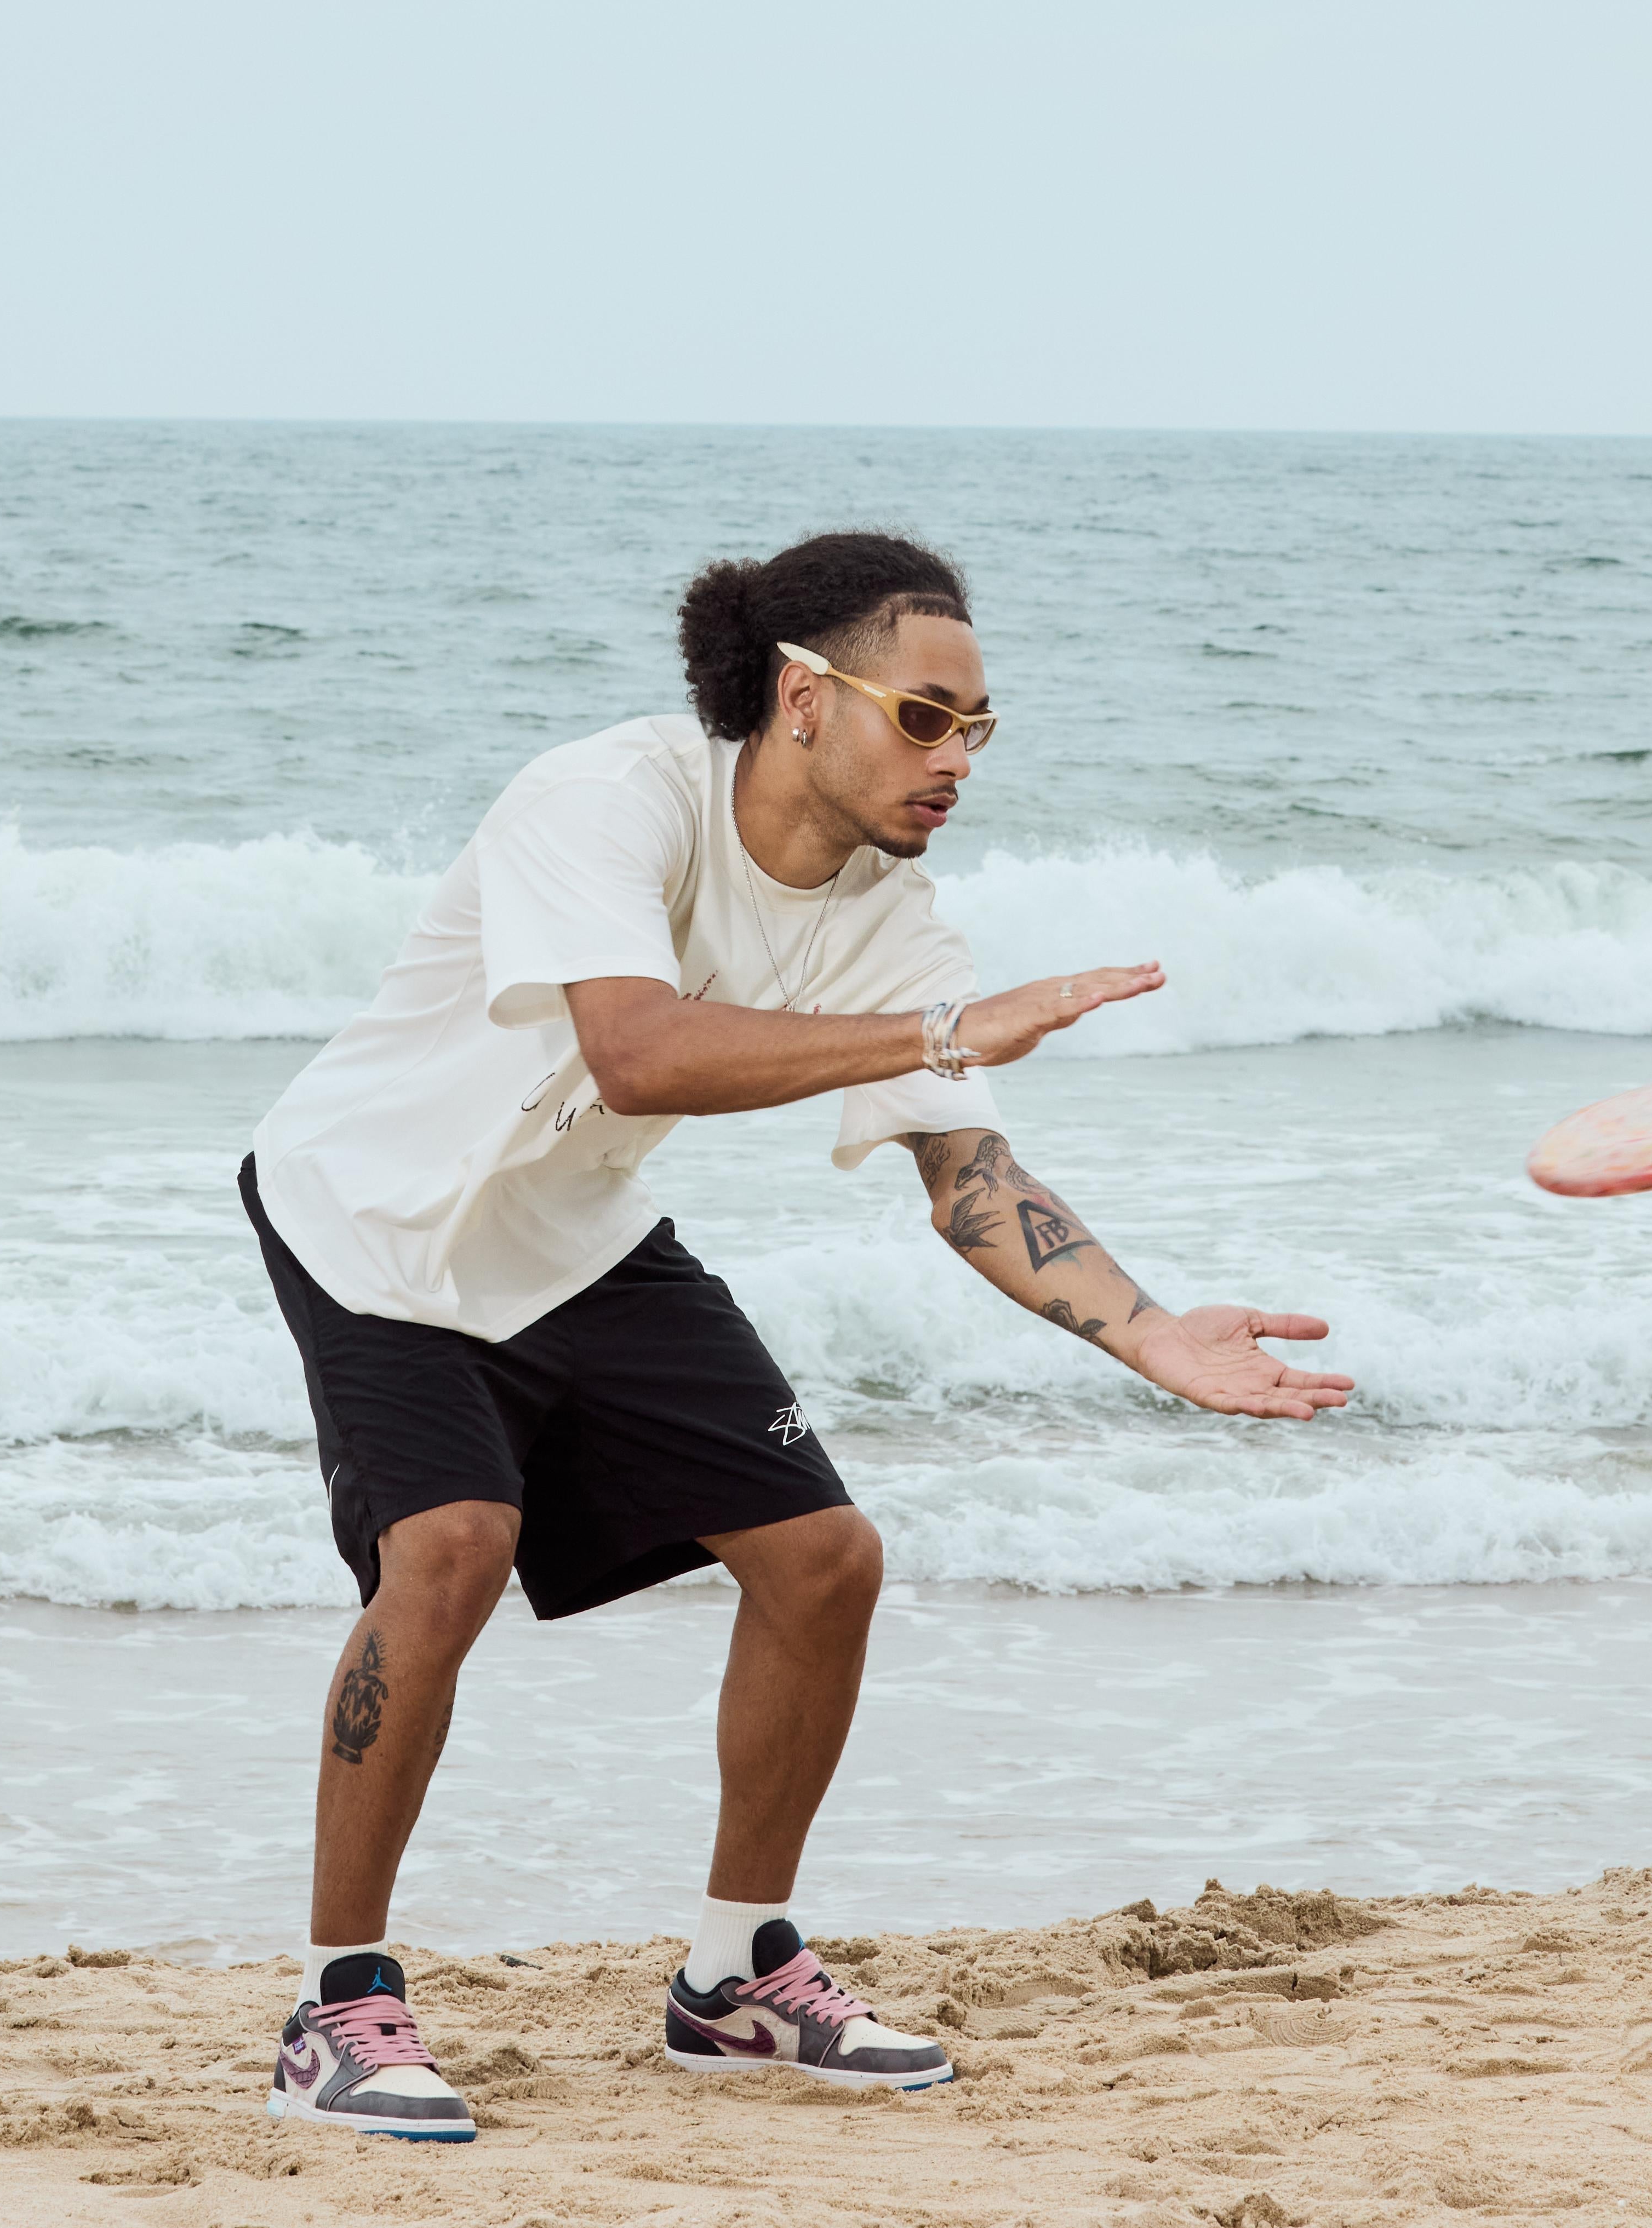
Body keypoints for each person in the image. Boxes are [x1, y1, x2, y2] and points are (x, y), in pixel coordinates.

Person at [241, 531, 1353, 2138]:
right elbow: (636, 1051)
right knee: (454, 1543)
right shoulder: (609, 798)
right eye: (926, 716)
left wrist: (1150, 1333)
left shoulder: (893, 918)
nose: (957, 758)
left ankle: (734, 1976)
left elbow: (967, 1173)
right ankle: (337, 2006)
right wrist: (939, 1031)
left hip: (576, 1234)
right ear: (803, 697)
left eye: (979, 727)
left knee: (825, 1559)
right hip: (375, 1214)